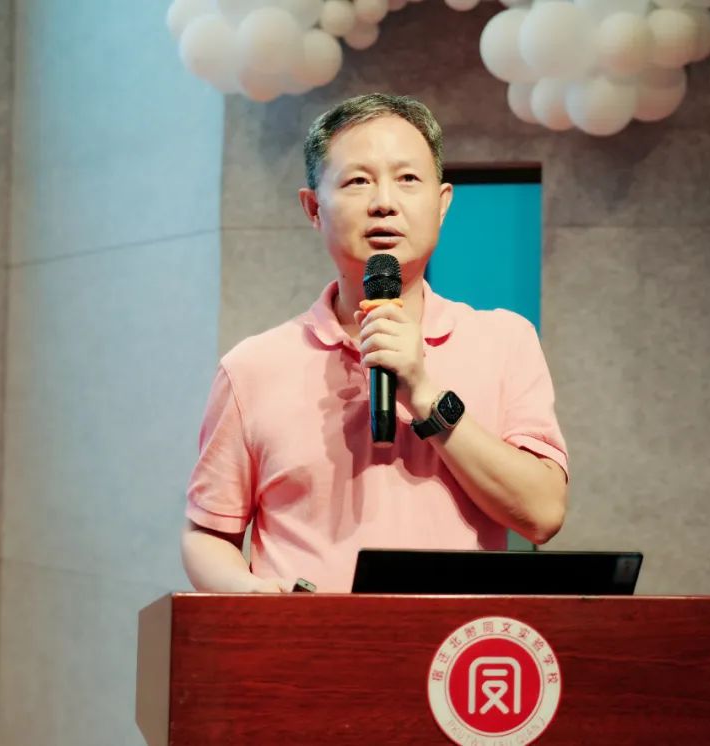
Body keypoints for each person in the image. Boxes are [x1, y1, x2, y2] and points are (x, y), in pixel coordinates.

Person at [181, 93, 568, 593]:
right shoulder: (252, 367)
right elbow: (208, 534)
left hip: (455, 640)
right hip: (306, 637)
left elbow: (542, 513)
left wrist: (425, 394)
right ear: (313, 207)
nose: (384, 201)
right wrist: (250, 594)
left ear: (442, 203)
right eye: (358, 181)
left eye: (407, 179)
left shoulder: (505, 341)